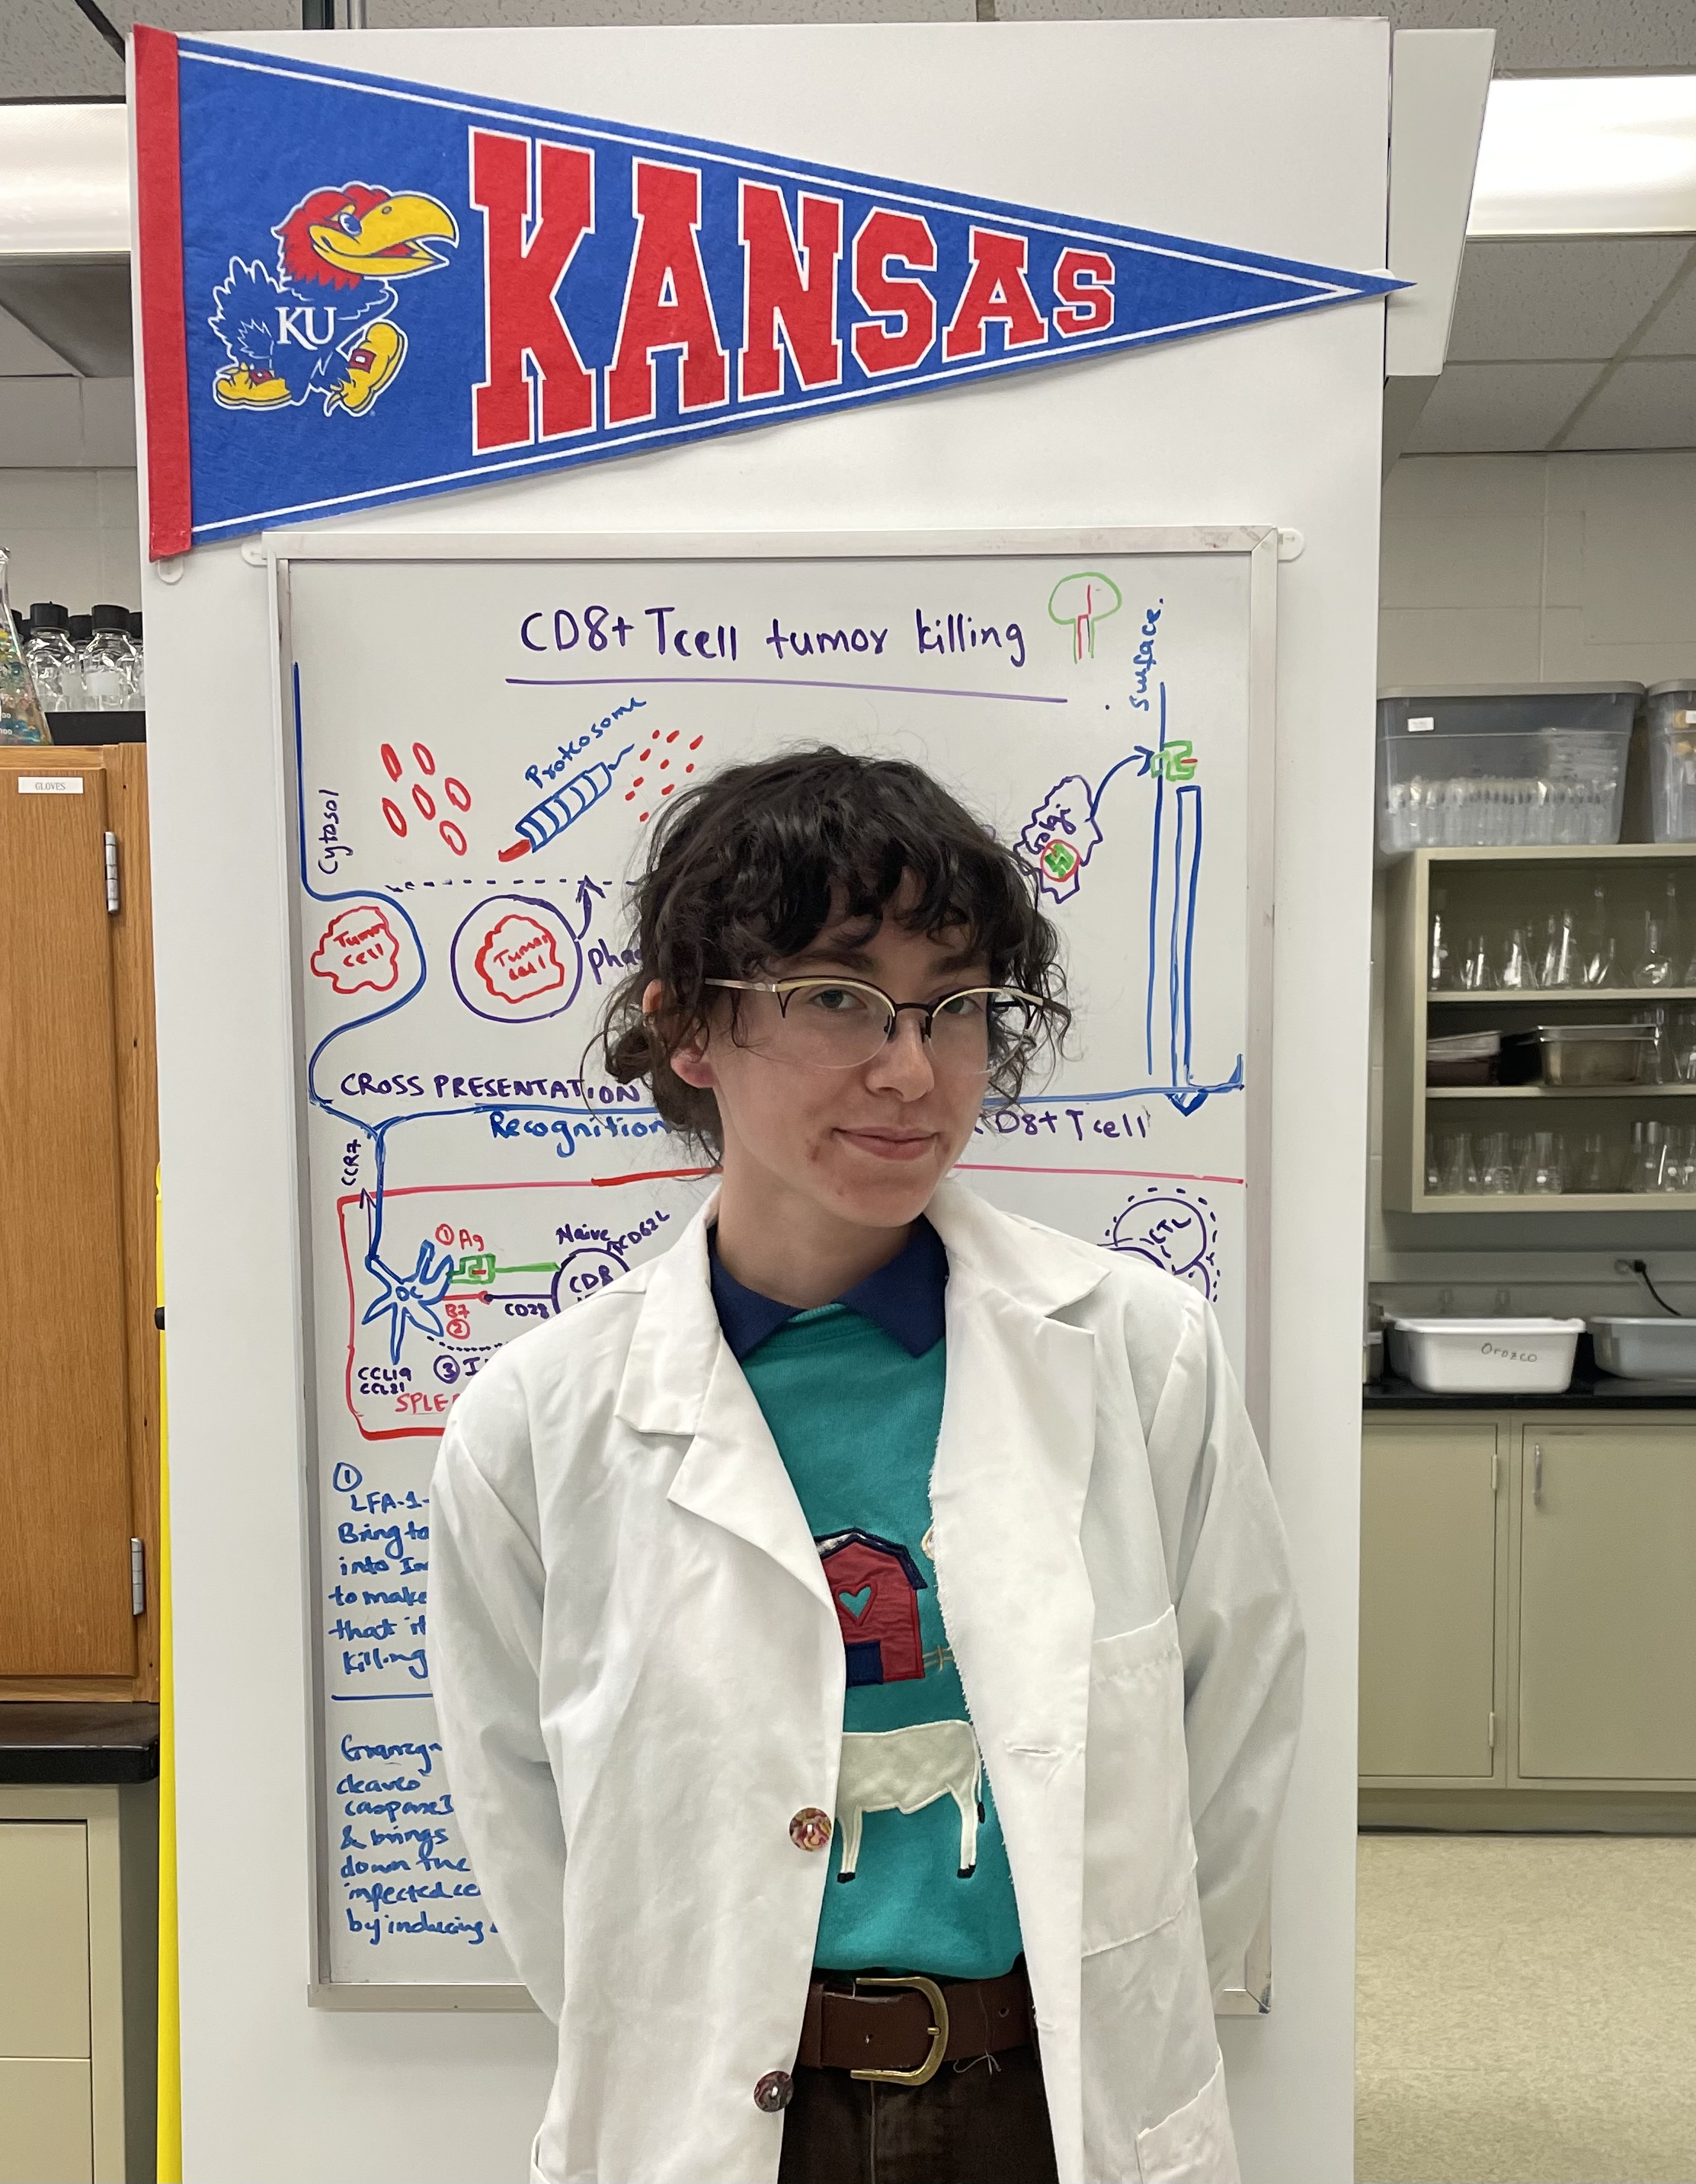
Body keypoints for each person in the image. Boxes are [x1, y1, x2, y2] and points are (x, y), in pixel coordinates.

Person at [430, 748, 1304, 2184]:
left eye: (954, 1006)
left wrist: (1114, 2013)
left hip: (1047, 2098)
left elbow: (1236, 1733)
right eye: (838, 996)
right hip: (719, 2116)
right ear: (690, 1029)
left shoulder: (1136, 1352)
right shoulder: (540, 1421)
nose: (911, 1069)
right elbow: (526, 1829)